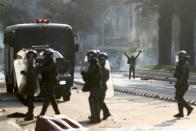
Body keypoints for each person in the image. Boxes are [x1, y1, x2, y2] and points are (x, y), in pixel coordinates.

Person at [81, 50, 102, 123]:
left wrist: (84, 74)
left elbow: (88, 75)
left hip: (95, 86)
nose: (89, 58)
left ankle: (96, 118)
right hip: (94, 86)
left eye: (90, 56)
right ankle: (94, 116)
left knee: (94, 101)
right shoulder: (94, 64)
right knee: (92, 100)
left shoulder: (94, 65)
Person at [39, 49, 60, 116]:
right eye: (44, 55)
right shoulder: (46, 62)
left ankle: (42, 114)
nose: (44, 56)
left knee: (47, 97)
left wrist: (41, 67)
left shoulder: (53, 62)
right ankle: (57, 112)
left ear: (49, 55)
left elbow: (48, 69)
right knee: (51, 98)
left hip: (51, 82)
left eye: (45, 55)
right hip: (47, 82)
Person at [173, 50, 193, 118]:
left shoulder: (184, 64)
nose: (178, 58)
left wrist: (179, 83)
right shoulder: (182, 63)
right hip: (182, 83)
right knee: (179, 98)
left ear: (182, 57)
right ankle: (181, 113)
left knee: (178, 97)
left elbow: (182, 75)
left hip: (182, 83)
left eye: (180, 57)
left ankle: (189, 108)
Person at [19, 50, 38, 120]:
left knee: (30, 99)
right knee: (21, 96)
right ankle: (30, 109)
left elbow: (31, 75)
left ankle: (30, 115)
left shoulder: (32, 63)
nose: (29, 56)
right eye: (29, 55)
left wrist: (24, 73)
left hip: (31, 84)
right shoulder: (29, 63)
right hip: (28, 83)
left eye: (31, 55)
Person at [98, 52, 111, 120]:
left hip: (102, 87)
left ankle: (106, 113)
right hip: (100, 87)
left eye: (104, 60)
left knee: (100, 101)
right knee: (99, 101)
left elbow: (105, 79)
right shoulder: (99, 69)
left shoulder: (106, 70)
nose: (102, 61)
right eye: (101, 60)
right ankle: (98, 114)